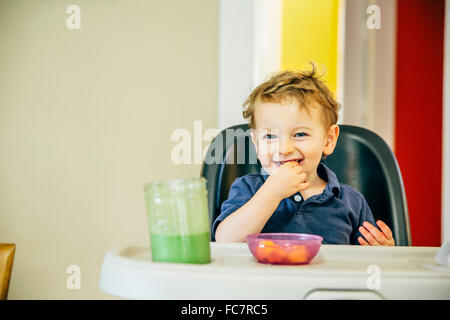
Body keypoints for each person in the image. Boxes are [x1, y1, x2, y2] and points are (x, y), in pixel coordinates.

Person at [213, 65, 395, 246]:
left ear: (329, 140)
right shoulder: (248, 189)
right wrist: (271, 193)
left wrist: (382, 251)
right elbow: (225, 240)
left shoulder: (351, 202)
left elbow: (365, 266)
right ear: (256, 144)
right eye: (270, 136)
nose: (284, 149)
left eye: (300, 134)